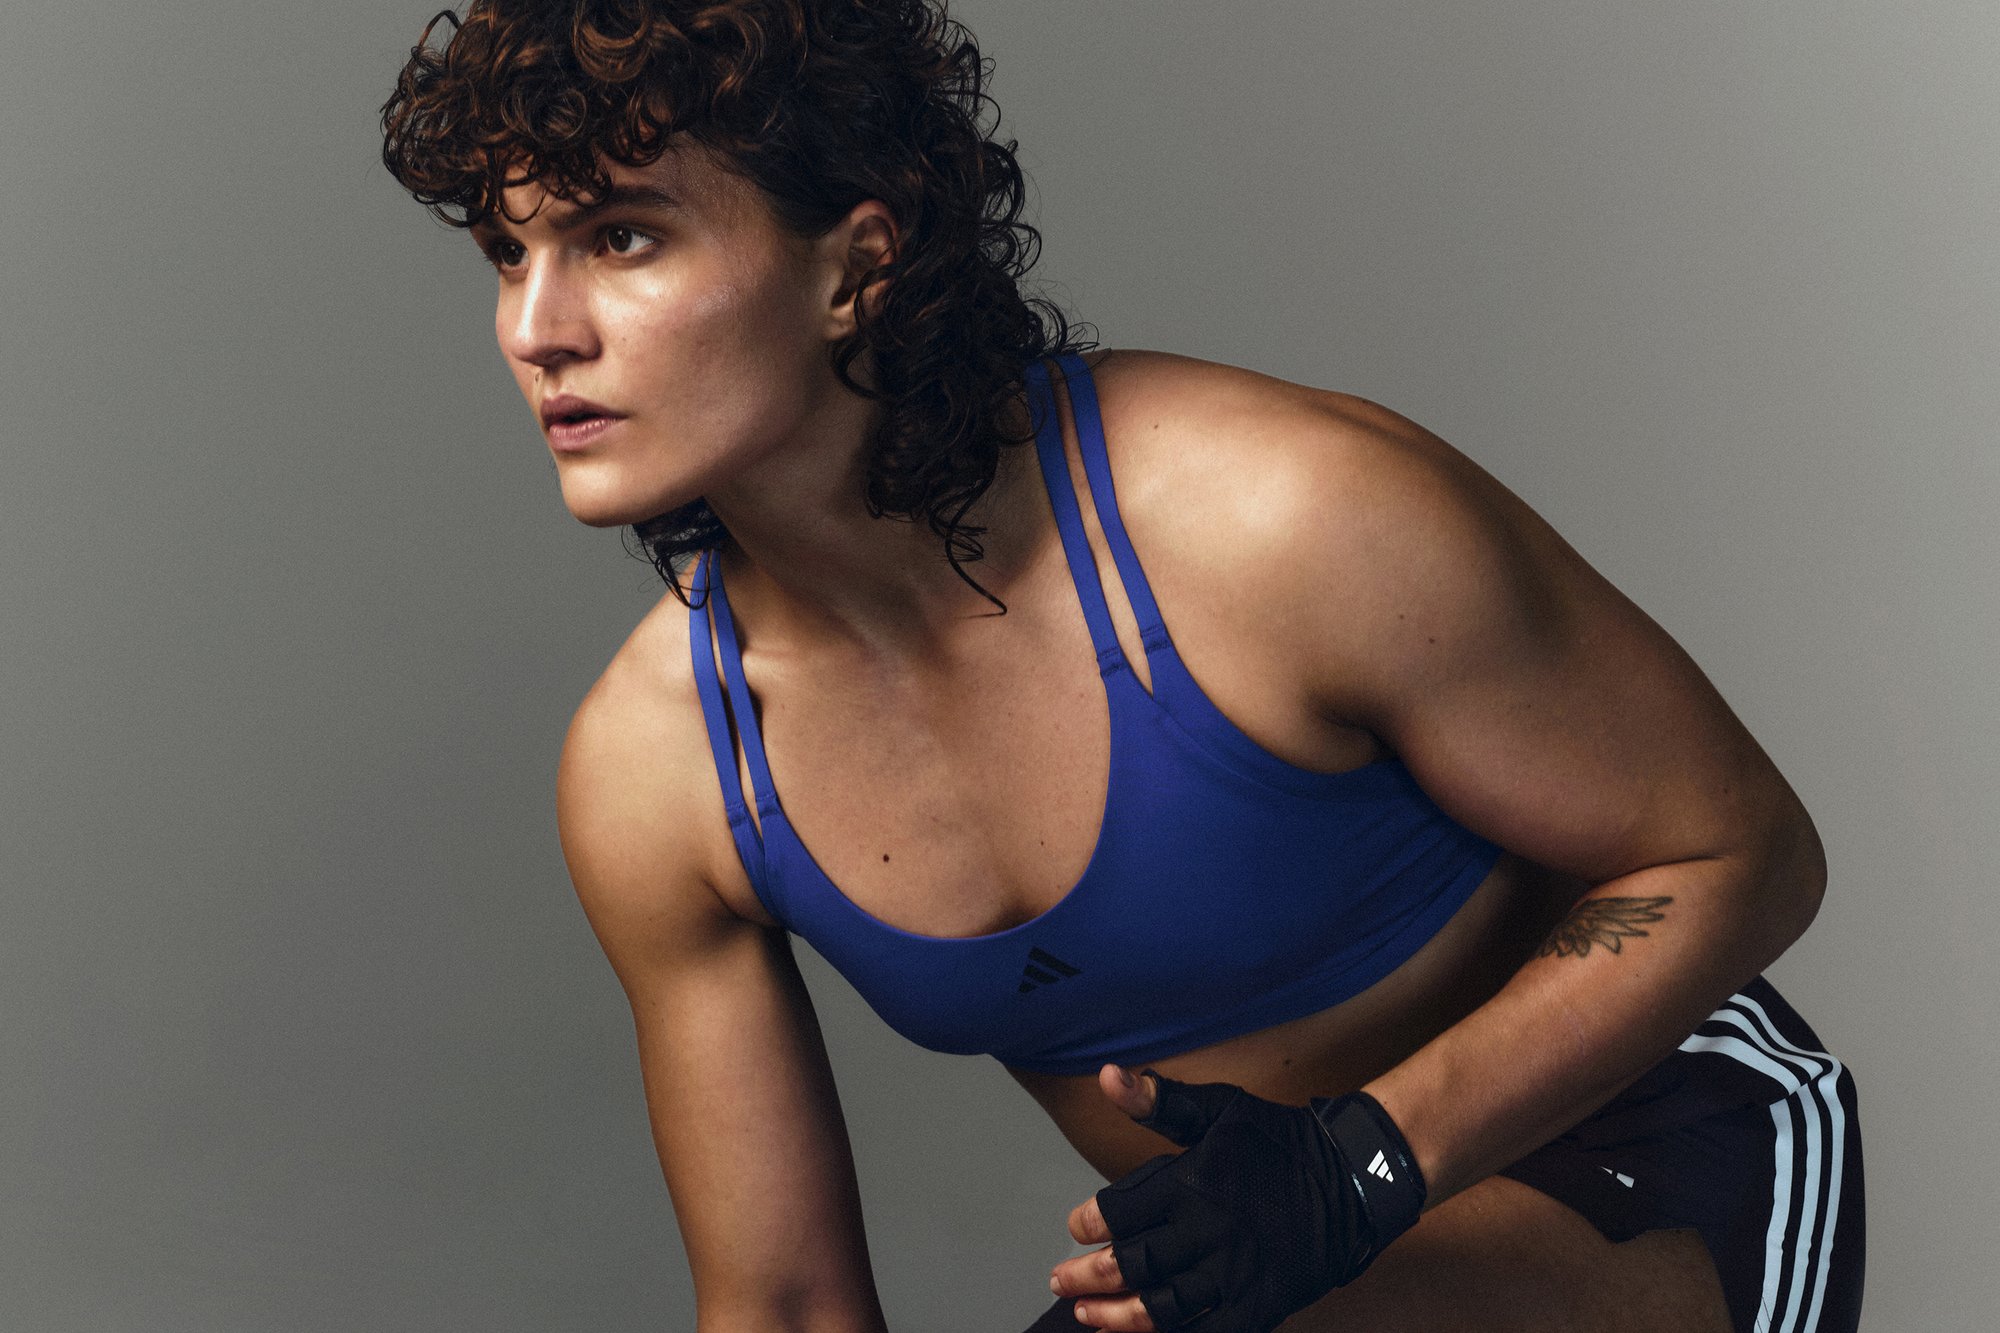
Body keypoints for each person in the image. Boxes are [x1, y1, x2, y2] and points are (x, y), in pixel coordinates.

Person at [379, 2, 1864, 1330]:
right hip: (1251, 1276)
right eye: (510, 253)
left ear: (857, 263)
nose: (535, 329)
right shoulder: (664, 770)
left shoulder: (1269, 520)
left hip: (1656, 1150)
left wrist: (1361, 1164)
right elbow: (778, 1298)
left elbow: (1744, 850)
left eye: (621, 237)